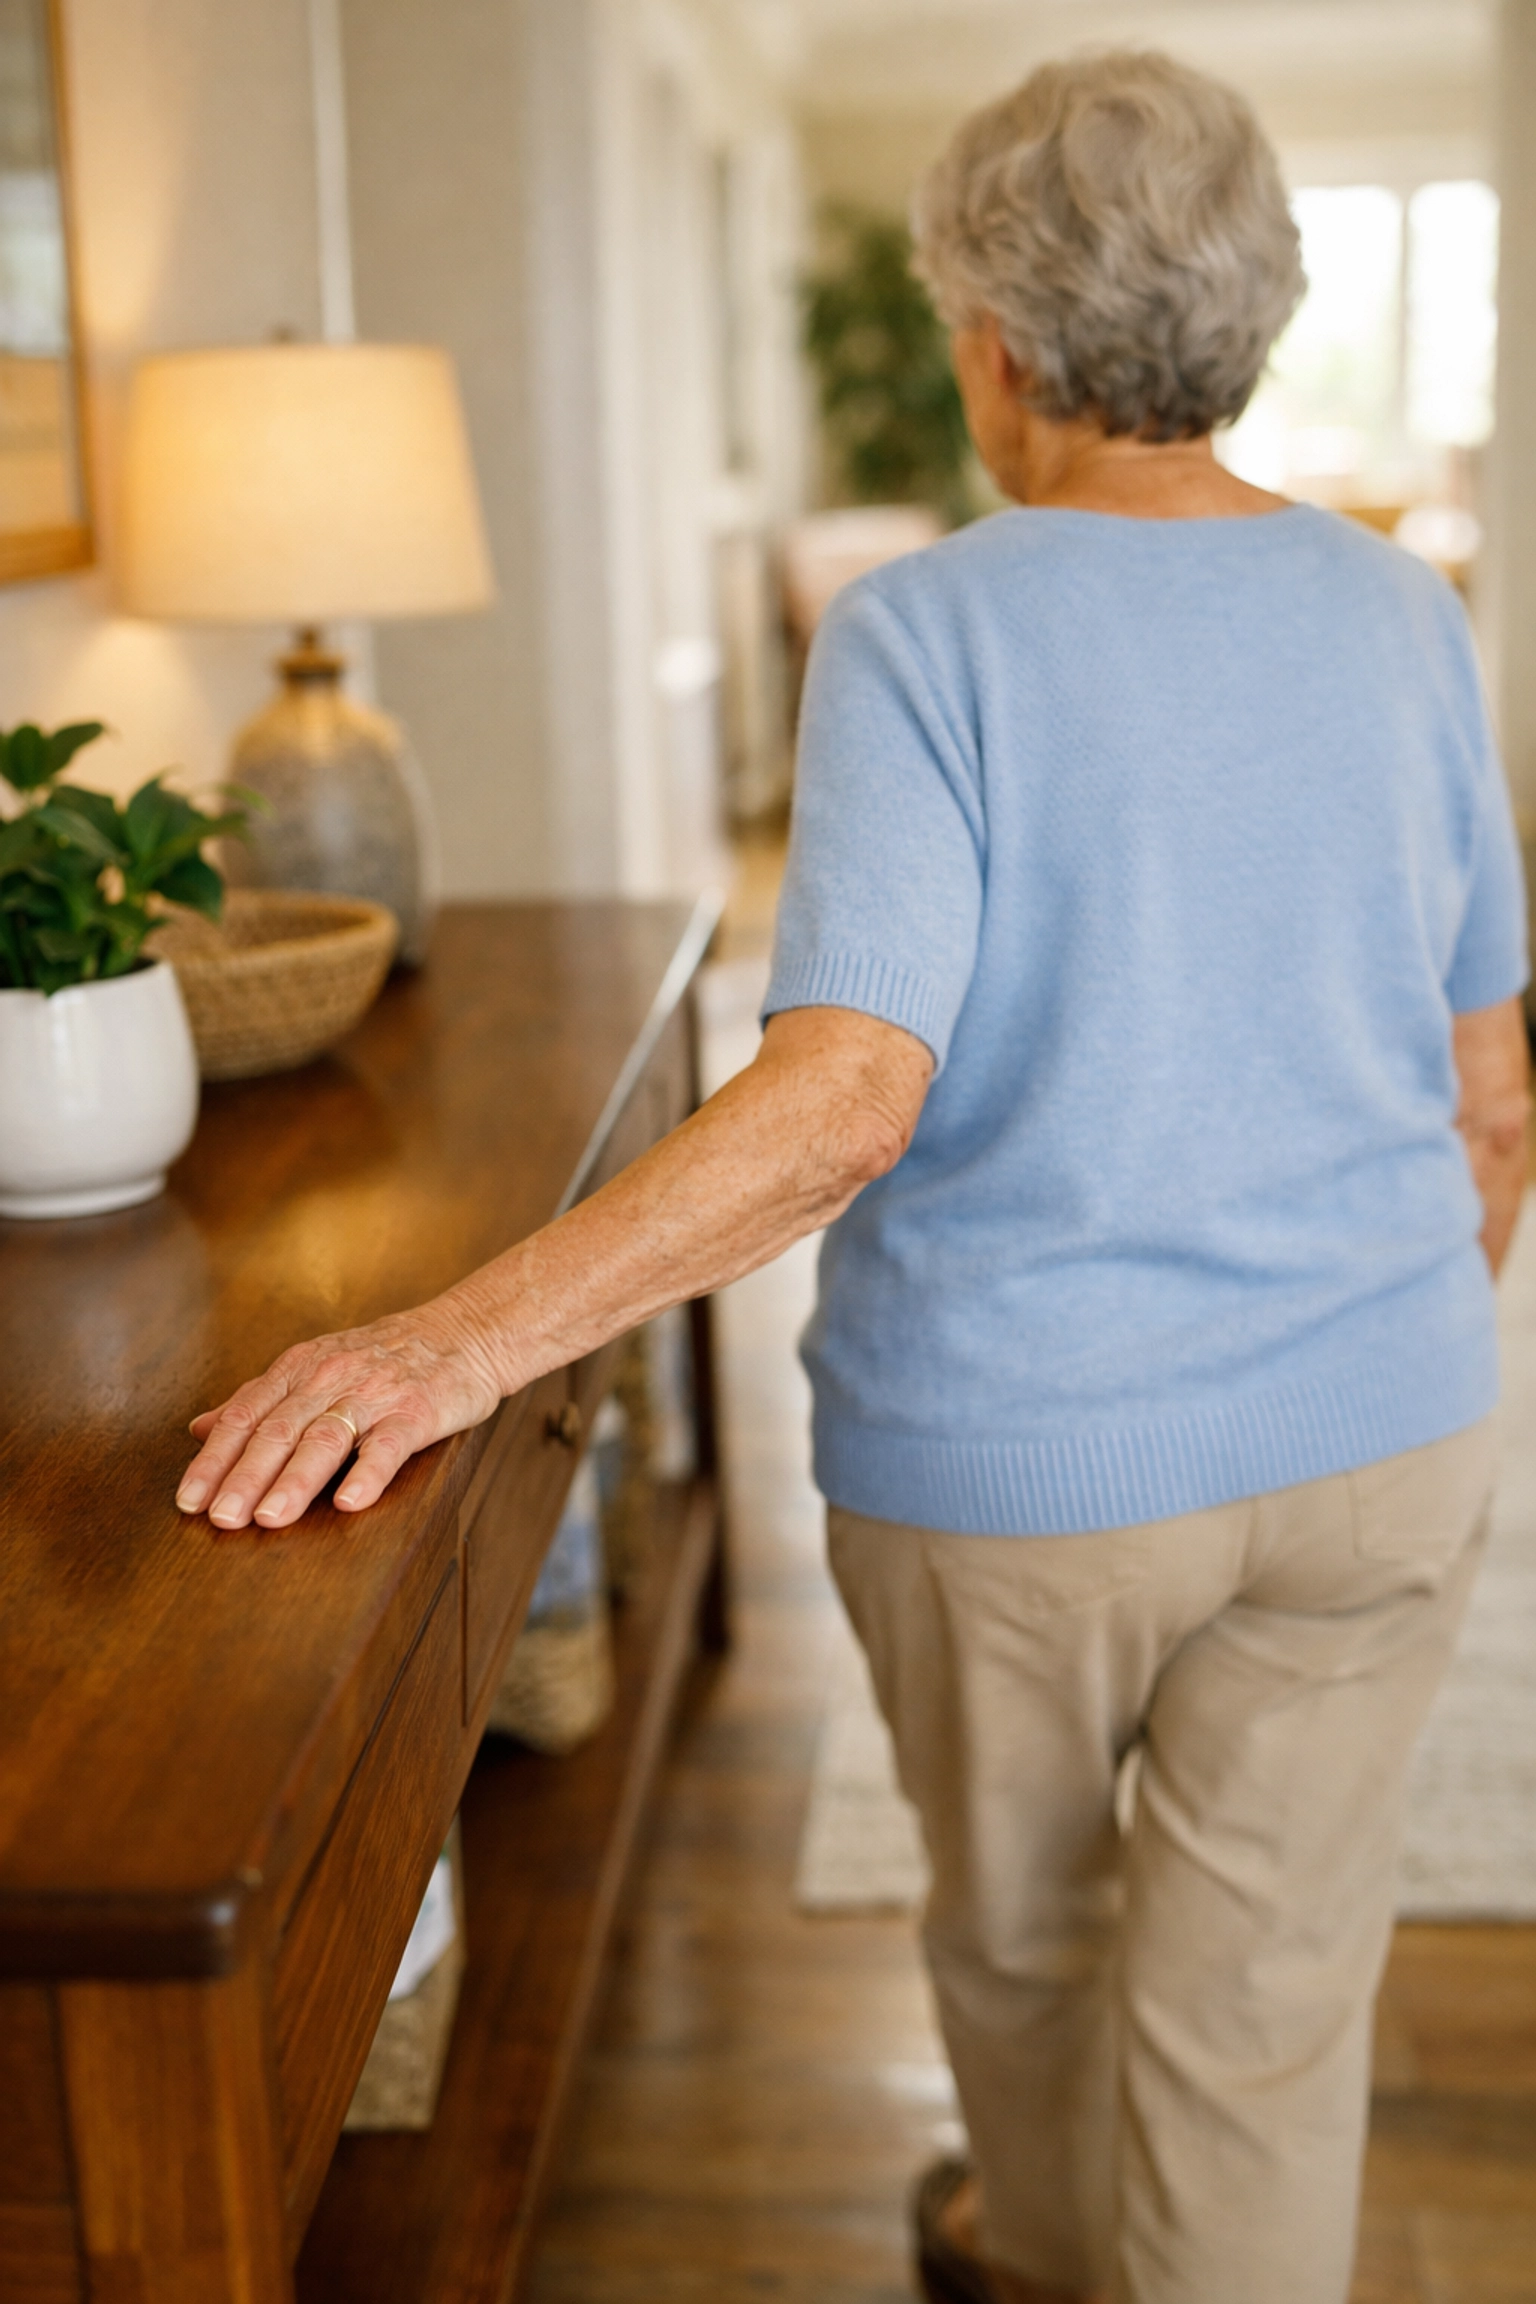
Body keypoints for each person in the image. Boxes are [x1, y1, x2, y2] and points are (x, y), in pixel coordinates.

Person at [175, 49, 1531, 2304]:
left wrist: (448, 1339)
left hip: (1028, 1465)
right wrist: (1364, 1338)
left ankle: (1032, 2243)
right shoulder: (1404, 618)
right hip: (1386, 1428)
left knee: (1021, 1945)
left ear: (998, 352)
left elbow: (846, 1097)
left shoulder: (928, 626)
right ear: (1254, 320)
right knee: (1269, 2008)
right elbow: (1492, 1083)